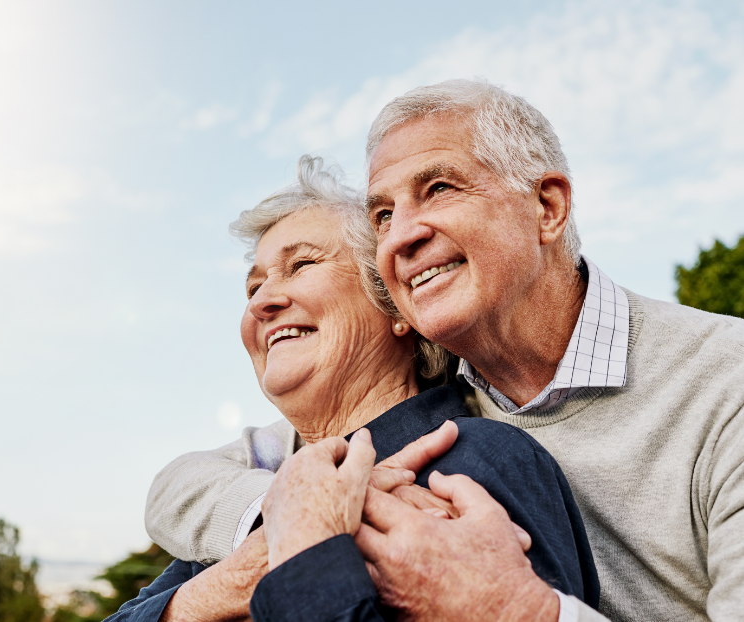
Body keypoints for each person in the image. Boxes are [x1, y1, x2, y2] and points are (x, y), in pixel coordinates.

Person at [146, 79, 744, 621]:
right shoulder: (414, 407)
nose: (403, 234)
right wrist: (280, 519)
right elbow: (184, 483)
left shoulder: (725, 381)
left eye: (438, 188)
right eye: (382, 214)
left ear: (548, 207)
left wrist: (520, 612)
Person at [112, 156, 598, 621]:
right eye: (252, 288)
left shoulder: (478, 461)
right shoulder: (258, 506)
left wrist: (302, 554)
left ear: (394, 307)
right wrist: (234, 581)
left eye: (300, 265)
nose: (263, 302)